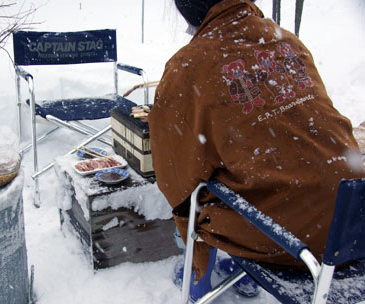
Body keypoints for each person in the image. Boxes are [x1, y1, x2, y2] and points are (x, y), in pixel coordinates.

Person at [148, 0, 365, 300]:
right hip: (353, 217)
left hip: (295, 242)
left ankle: (201, 280)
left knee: (198, 195)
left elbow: (176, 178)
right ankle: (246, 269)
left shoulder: (189, 66)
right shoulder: (286, 40)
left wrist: (186, 217)